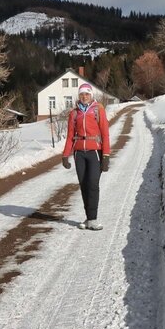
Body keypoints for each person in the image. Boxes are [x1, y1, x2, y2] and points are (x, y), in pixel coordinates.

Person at [61, 83, 110, 230]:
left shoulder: (98, 110)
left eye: (87, 94)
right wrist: (65, 155)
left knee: (93, 184)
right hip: (79, 153)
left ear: (91, 95)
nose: (84, 96)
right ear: (79, 96)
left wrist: (106, 155)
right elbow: (70, 136)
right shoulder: (74, 114)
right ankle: (88, 218)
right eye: (82, 94)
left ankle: (93, 219)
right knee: (83, 185)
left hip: (95, 151)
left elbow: (105, 134)